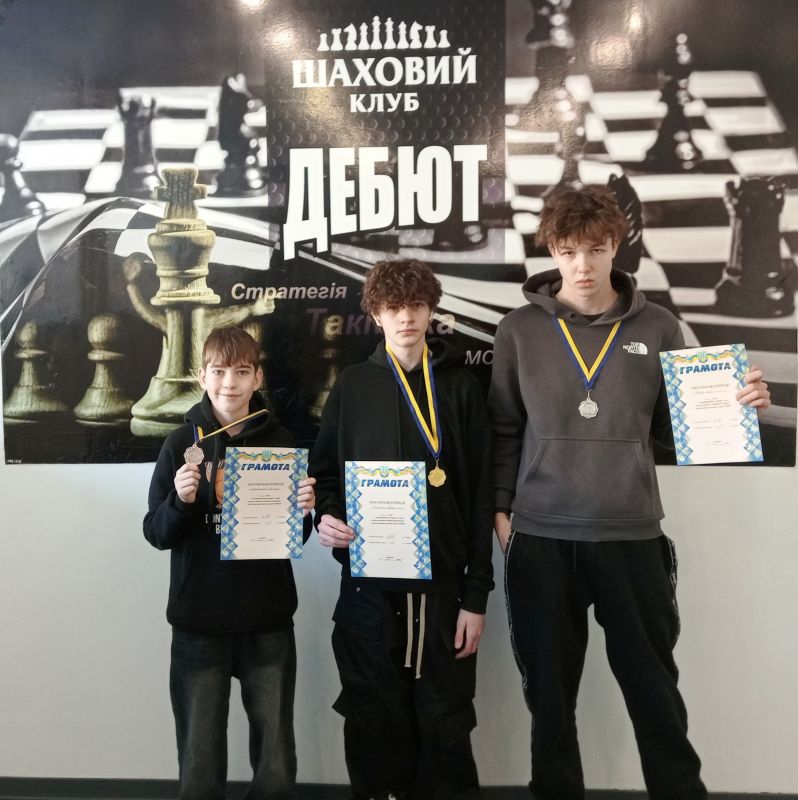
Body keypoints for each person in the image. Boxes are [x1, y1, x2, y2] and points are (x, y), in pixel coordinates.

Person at [489, 185, 771, 800]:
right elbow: (504, 429)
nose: (583, 266)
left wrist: (738, 405)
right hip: (542, 538)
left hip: (632, 536)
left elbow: (677, 430)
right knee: (549, 701)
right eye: (569, 251)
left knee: (654, 695)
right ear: (552, 251)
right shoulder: (518, 330)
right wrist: (502, 512)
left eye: (596, 249)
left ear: (616, 245)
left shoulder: (659, 325)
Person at [309, 259, 494, 800]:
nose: (406, 317)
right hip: (369, 593)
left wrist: (476, 596)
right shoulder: (352, 386)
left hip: (443, 593)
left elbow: (481, 496)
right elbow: (325, 474)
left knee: (444, 726)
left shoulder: (460, 387)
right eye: (393, 307)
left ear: (431, 310)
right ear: (376, 314)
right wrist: (326, 516)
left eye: (416, 305)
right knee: (374, 723)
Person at [143, 326, 315, 800]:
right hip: (199, 622)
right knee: (199, 764)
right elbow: (156, 533)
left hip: (267, 620)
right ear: (202, 376)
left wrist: (303, 513)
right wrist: (180, 502)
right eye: (219, 371)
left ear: (257, 377)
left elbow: (290, 540)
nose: (229, 383)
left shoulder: (280, 440)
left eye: (241, 372)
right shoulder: (180, 442)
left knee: (276, 764)